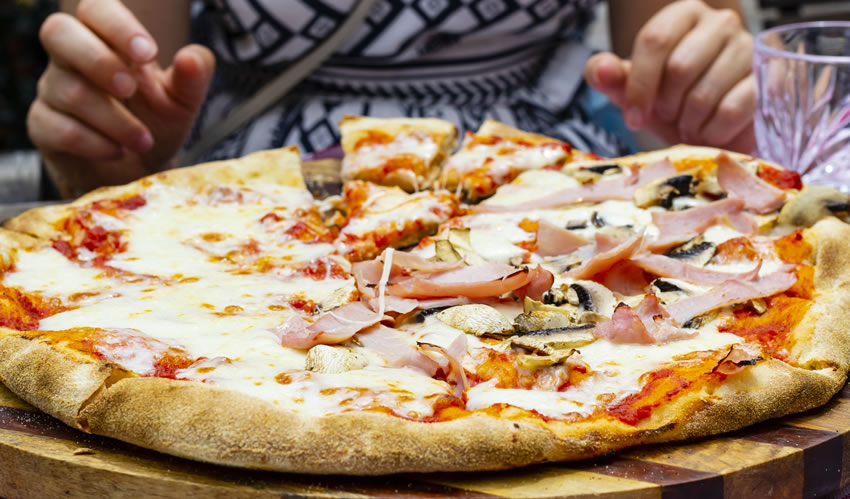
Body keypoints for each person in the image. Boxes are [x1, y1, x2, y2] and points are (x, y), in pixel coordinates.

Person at [27, 0, 754, 199]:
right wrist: (107, 157)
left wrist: (704, 94)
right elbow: (114, 124)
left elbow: (684, 59)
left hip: (548, 183)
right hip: (250, 199)